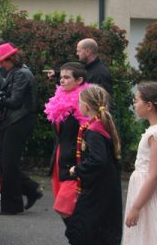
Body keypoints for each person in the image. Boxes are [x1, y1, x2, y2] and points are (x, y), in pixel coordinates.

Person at [0, 43, 42, 215]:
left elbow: (15, 101)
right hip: (16, 121)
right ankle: (28, 192)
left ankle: (13, 205)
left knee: (7, 164)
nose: (0, 65)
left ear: (11, 59)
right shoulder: (18, 72)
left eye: (2, 61)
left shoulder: (20, 74)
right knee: (7, 163)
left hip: (18, 121)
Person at [66, 85, 122, 245]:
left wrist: (77, 169)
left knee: (84, 230)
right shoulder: (102, 125)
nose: (78, 106)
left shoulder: (94, 131)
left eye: (79, 102)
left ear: (86, 106)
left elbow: (98, 159)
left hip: (97, 189)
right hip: (106, 186)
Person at [43, 62, 89, 220]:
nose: (61, 80)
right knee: (65, 211)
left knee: (65, 208)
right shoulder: (60, 98)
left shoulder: (84, 103)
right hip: (60, 159)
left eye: (66, 77)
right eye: (61, 77)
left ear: (79, 80)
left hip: (75, 161)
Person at [122, 81, 157, 244]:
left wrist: (136, 207)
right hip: (143, 191)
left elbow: (153, 175)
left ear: (149, 105)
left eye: (136, 101)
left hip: (147, 195)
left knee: (147, 235)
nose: (134, 104)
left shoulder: (154, 134)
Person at [44, 38, 113, 95]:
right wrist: (55, 73)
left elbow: (105, 99)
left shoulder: (101, 73)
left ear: (87, 52)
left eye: (79, 51)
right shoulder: (86, 67)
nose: (77, 54)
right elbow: (74, 73)